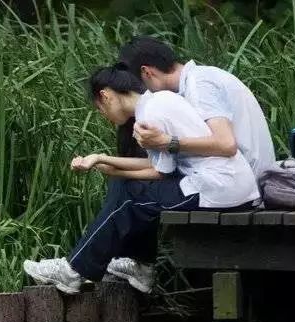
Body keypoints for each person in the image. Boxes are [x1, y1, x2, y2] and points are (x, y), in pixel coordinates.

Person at [23, 65, 259, 295]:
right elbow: (157, 168)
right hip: (228, 186)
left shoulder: (149, 117)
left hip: (217, 189)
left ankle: (74, 270)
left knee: (132, 196)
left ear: (105, 96)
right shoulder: (158, 102)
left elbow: (158, 174)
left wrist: (111, 168)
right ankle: (139, 266)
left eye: (99, 109)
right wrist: (102, 161)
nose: (103, 116)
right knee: (128, 189)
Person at [118, 37, 276, 182]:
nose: (147, 93)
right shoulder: (195, 80)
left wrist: (166, 142)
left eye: (141, 85)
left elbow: (226, 144)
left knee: (134, 192)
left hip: (248, 181)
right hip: (240, 177)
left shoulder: (200, 84)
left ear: (147, 72)